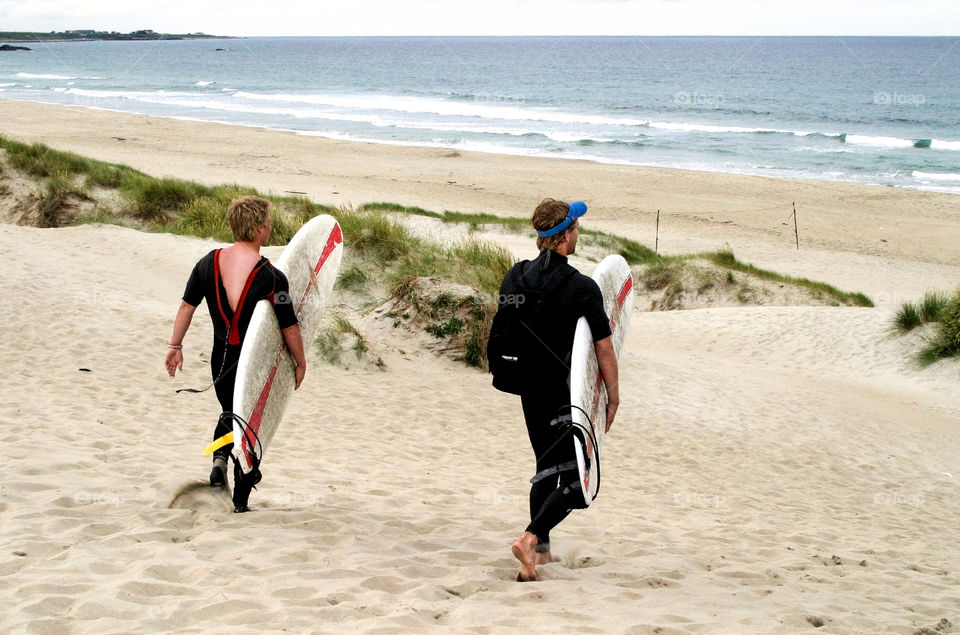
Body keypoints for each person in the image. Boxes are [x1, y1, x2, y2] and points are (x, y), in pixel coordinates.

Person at [499, 198, 620, 581]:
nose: (577, 232)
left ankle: (542, 554)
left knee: (545, 470)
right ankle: (531, 538)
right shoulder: (581, 287)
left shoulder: (514, 276)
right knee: (576, 481)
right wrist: (612, 396)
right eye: (575, 227)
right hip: (563, 394)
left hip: (526, 387)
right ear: (565, 235)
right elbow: (603, 346)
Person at [163, 195, 307, 513]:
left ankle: (218, 463)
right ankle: (240, 502)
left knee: (231, 412)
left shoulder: (206, 264)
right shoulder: (272, 277)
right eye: (267, 222)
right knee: (250, 427)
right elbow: (289, 326)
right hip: (251, 365)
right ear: (259, 229)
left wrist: (175, 347)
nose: (269, 226)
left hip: (221, 362)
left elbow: (187, 306)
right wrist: (300, 361)